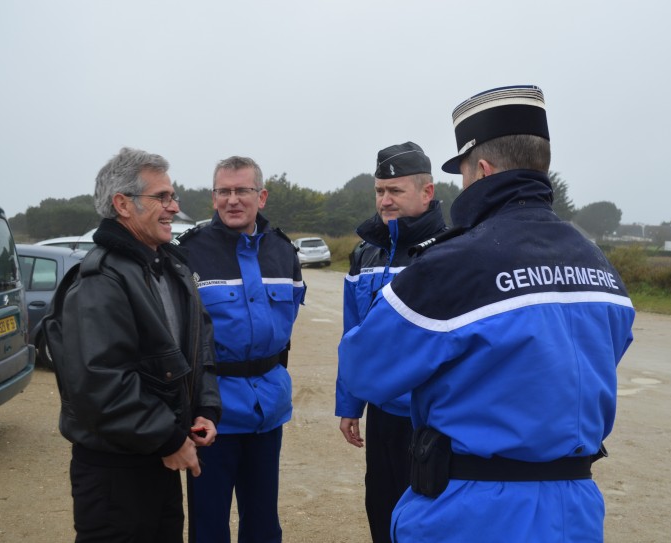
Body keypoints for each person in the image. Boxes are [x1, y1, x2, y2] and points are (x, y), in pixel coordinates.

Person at [338, 86, 635, 542]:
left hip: (471, 510)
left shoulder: (451, 266)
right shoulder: (598, 266)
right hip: (573, 514)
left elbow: (364, 370)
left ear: (481, 169)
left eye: (461, 170)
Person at [44, 147, 222, 543]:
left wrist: (206, 408)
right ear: (122, 204)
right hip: (115, 475)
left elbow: (200, 344)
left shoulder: (171, 267)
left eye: (172, 197)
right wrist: (169, 438)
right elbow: (100, 383)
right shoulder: (99, 280)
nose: (173, 207)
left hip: (159, 459)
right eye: (162, 197)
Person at [178, 155, 306, 543]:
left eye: (242, 191)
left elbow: (286, 327)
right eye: (224, 191)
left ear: (261, 197)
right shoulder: (188, 253)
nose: (233, 200)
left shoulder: (284, 253)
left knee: (264, 523)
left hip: (268, 410)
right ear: (213, 197)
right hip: (212, 415)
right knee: (209, 523)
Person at [335, 141, 447, 543]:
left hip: (432, 417)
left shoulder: (453, 251)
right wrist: (350, 404)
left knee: (427, 518)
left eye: (396, 190)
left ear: (427, 192)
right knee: (380, 510)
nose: (385, 200)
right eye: (380, 190)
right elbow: (353, 336)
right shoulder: (366, 255)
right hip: (382, 416)